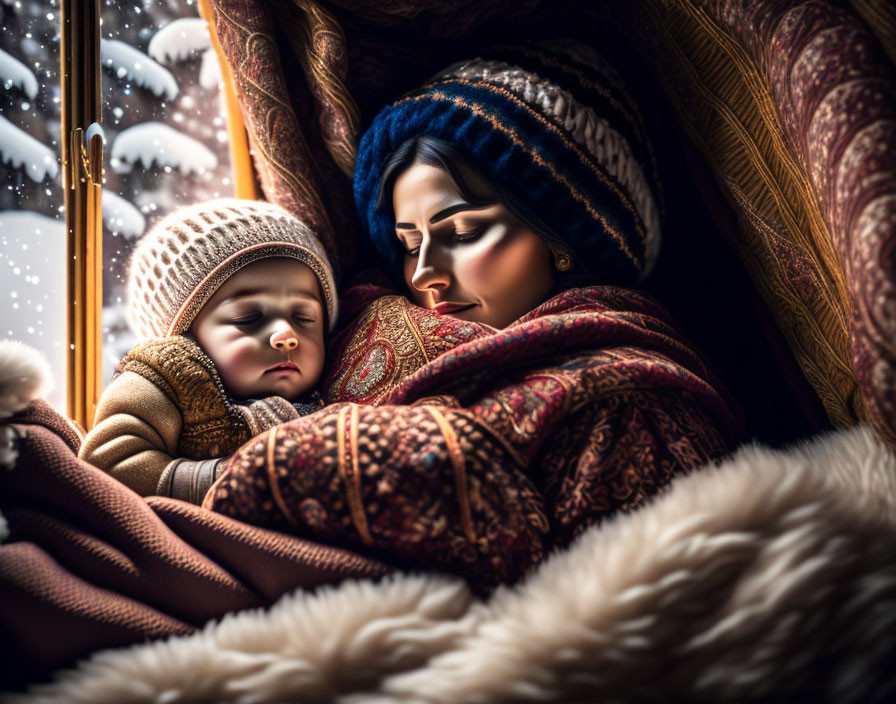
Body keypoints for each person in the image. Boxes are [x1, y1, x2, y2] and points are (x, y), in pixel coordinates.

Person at [205, 41, 742, 591]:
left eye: (461, 233)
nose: (423, 274)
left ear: (560, 235)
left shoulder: (628, 407)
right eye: (409, 245)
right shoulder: (348, 323)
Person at [79, 199, 338, 504]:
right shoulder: (168, 379)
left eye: (304, 318)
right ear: (185, 338)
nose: (286, 335)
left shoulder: (332, 390)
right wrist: (228, 479)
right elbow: (106, 465)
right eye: (248, 318)